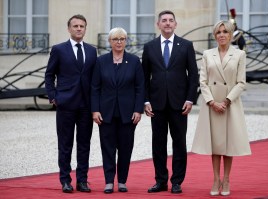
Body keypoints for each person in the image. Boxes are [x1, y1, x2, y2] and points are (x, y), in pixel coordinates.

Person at [191, 20, 251, 196]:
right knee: (216, 144)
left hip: (230, 104)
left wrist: (226, 101)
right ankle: (215, 178)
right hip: (212, 104)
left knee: (228, 144)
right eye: (218, 32)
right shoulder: (208, 54)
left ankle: (226, 179)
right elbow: (202, 81)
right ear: (215, 35)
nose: (222, 35)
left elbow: (241, 82)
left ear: (231, 35)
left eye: (225, 31)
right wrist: (211, 102)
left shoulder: (239, 54)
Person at [142, 10, 199, 194]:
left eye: (170, 20)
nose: (167, 23)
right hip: (156, 104)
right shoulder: (149, 47)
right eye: (164, 21)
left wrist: (190, 99)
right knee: (158, 144)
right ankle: (160, 181)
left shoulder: (186, 45)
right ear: (158, 24)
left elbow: (194, 75)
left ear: (175, 24)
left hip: (179, 104)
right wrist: (145, 101)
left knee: (179, 143)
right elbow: (144, 77)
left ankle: (176, 181)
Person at [45, 14, 97, 193]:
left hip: (86, 105)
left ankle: (82, 180)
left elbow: (94, 78)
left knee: (84, 144)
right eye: (75, 26)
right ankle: (65, 180)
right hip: (65, 104)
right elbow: (49, 75)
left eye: (82, 26)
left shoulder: (92, 50)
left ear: (85, 28)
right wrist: (53, 96)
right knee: (65, 144)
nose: (78, 29)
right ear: (69, 28)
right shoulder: (59, 49)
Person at [91, 27, 145, 194]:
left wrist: (138, 110)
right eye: (115, 39)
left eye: (122, 39)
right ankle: (108, 181)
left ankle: (122, 181)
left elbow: (140, 88)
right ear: (110, 42)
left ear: (126, 41)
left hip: (128, 114)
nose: (119, 42)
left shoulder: (134, 61)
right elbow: (95, 88)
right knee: (107, 148)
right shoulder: (101, 61)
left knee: (125, 148)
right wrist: (95, 110)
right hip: (105, 113)